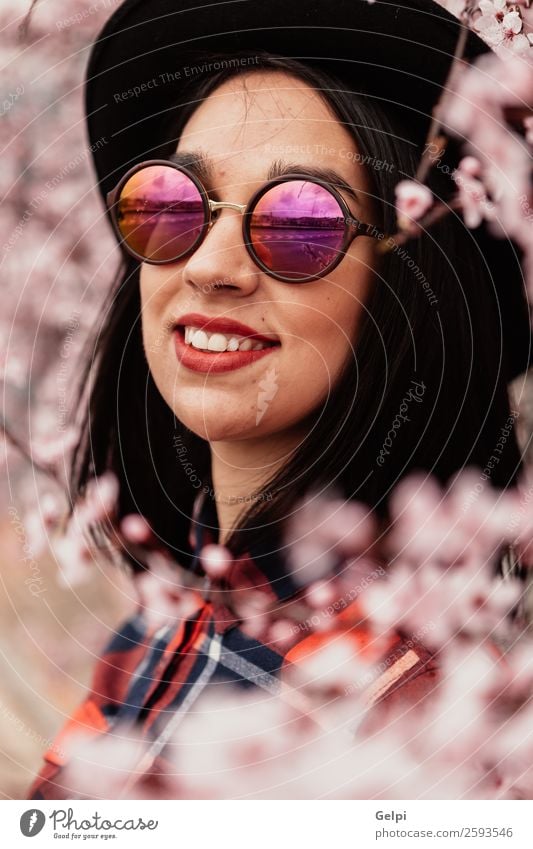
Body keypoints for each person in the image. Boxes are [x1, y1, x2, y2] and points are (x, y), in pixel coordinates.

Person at [28, 0, 529, 799]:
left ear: (412, 282)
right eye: (171, 203)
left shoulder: (421, 730)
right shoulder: (149, 636)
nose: (210, 267)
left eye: (301, 221)